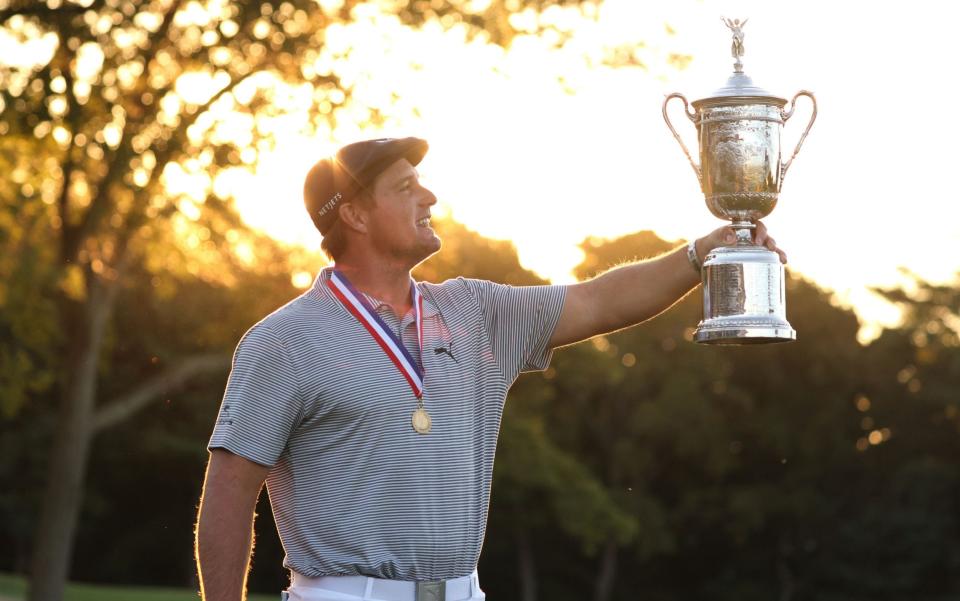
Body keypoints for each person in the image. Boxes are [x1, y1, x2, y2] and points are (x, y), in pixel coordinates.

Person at [194, 137, 786, 601]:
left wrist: (702, 252)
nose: (429, 198)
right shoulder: (284, 340)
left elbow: (601, 299)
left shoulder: (475, 310)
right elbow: (229, 491)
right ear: (353, 215)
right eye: (405, 188)